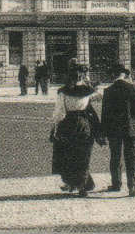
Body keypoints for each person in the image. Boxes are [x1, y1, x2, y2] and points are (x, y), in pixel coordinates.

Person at [51, 63, 104, 196]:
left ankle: (71, 183)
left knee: (68, 155)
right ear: (82, 76)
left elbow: (59, 112)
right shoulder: (88, 91)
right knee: (83, 155)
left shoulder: (63, 92)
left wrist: (55, 127)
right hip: (84, 124)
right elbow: (98, 96)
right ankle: (82, 186)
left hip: (68, 124)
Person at [101, 66, 135, 197]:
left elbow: (105, 114)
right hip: (130, 128)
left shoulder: (108, 91)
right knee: (131, 157)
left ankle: (116, 184)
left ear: (113, 76)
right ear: (125, 75)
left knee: (115, 156)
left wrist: (104, 131)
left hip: (114, 129)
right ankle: (132, 187)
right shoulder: (134, 88)